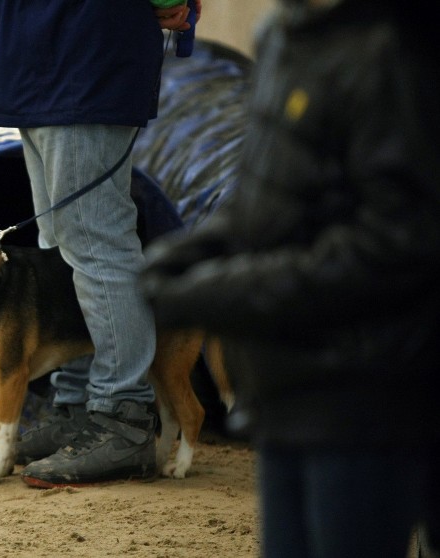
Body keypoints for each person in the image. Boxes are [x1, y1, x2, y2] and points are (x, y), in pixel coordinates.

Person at [139, 0, 439, 555]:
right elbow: (261, 195)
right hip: (283, 385)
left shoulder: (395, 53)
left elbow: (392, 246)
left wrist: (223, 291)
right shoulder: (285, 33)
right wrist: (183, 252)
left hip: (367, 392)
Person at [0, 0, 200, 487]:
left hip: (79, 58)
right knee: (62, 243)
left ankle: (122, 416)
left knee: (95, 244)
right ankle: (80, 402)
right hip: (44, 60)